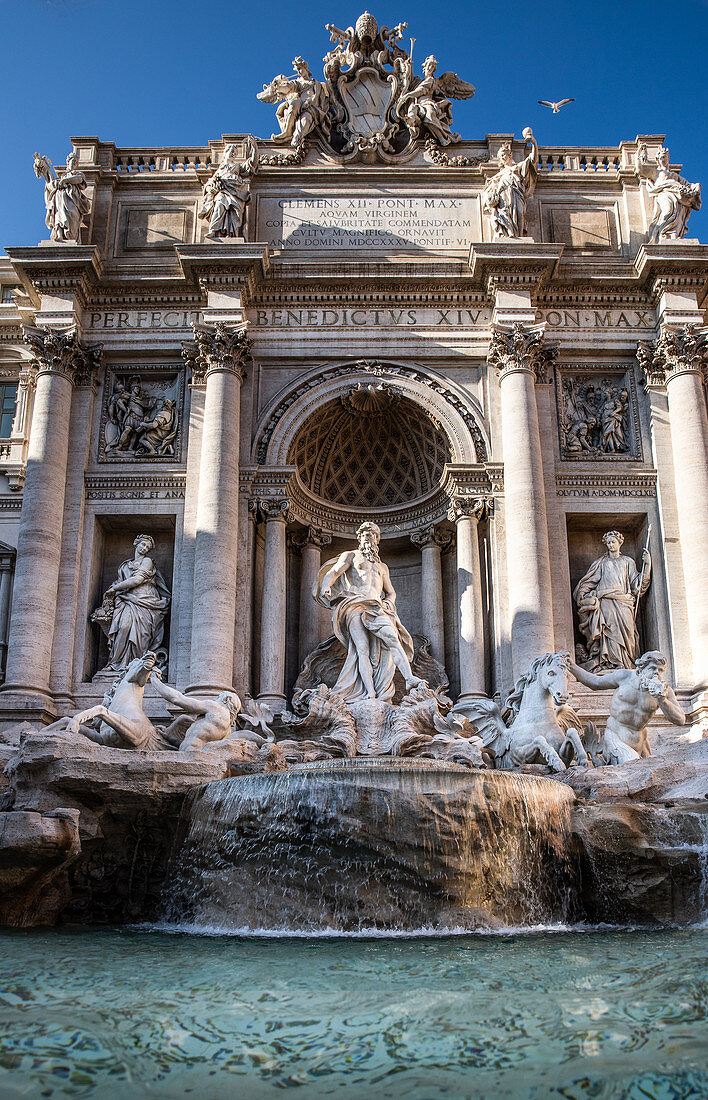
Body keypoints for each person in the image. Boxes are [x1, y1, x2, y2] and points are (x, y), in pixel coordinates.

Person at [314, 521, 424, 702]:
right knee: (362, 649)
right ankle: (369, 692)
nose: (368, 536)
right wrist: (326, 586)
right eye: (364, 533)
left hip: (376, 607)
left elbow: (391, 592)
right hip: (354, 604)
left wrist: (389, 602)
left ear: (376, 539)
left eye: (372, 533)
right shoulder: (351, 556)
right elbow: (333, 572)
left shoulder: (382, 567)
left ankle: (409, 678)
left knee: (393, 638)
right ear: (359, 537)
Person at [569, 651, 685, 764]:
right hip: (615, 736)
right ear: (641, 670)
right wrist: (571, 666)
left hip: (641, 741)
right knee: (634, 765)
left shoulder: (664, 691)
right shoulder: (624, 677)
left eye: (660, 670)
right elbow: (595, 682)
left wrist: (662, 700)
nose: (656, 673)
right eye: (652, 668)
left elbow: (680, 720)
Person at [573, 530, 650, 670]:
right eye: (608, 543)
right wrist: (582, 592)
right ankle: (610, 663)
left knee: (628, 634)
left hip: (623, 602)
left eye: (613, 542)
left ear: (620, 543)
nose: (610, 545)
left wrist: (647, 565)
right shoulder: (601, 563)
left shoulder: (628, 562)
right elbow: (589, 581)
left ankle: (628, 663)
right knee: (609, 632)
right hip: (606, 602)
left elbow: (637, 585)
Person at [98, 535, 170, 671]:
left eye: (147, 547)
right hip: (128, 600)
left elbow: (137, 580)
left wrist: (114, 589)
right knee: (123, 627)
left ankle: (137, 667)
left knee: (142, 635)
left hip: (146, 601)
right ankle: (116, 664)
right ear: (136, 543)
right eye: (143, 545)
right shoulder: (125, 565)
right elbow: (121, 582)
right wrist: (113, 590)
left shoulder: (147, 561)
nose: (144, 548)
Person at [482, 130, 538, 238]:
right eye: (501, 156)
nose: (503, 157)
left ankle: (518, 236)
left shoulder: (517, 168)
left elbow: (533, 160)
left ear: (510, 155)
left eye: (504, 155)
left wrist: (533, 143)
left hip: (516, 194)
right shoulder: (497, 177)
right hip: (504, 197)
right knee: (506, 216)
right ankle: (509, 233)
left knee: (520, 214)